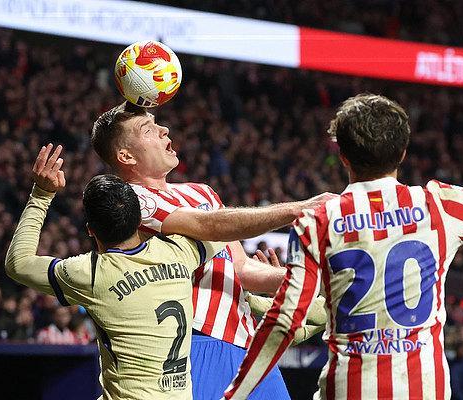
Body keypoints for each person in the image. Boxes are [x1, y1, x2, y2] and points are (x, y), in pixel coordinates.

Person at [223, 85, 463, 399]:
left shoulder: (316, 220)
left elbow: (284, 321)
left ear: (343, 156)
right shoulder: (439, 205)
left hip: (349, 388)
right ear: (403, 153)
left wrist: (234, 394)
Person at [91, 101, 331, 399]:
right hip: (191, 344)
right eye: (148, 130)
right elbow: (209, 226)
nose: (164, 129)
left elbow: (241, 268)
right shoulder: (132, 202)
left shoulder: (201, 192)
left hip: (246, 344)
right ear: (126, 156)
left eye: (157, 124)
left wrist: (311, 277)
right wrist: (300, 209)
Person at [5, 144, 229, 399]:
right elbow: (222, 229)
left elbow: (18, 263)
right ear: (139, 221)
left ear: (90, 231)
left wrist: (41, 194)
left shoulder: (90, 273)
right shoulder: (179, 251)